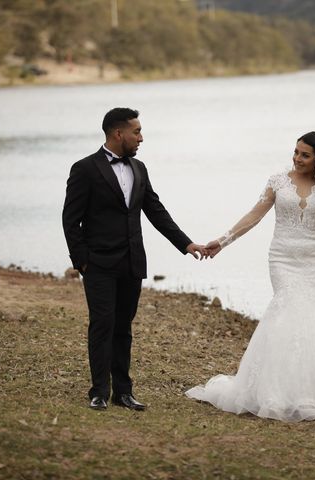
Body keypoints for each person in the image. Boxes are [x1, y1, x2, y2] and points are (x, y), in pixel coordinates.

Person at [186, 132, 315, 423]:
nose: (297, 158)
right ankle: (276, 393)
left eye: (305, 155)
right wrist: (222, 241)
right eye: (296, 152)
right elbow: (254, 215)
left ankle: (312, 393)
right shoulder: (277, 180)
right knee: (286, 316)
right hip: (282, 259)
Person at [62, 107, 207, 411]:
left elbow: (155, 211)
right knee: (102, 324)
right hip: (98, 264)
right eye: (136, 131)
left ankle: (123, 392)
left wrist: (186, 243)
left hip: (132, 262)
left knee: (123, 327)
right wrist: (82, 261)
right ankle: (99, 391)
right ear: (118, 134)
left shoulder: (139, 168)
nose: (141, 137)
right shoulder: (85, 169)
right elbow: (69, 219)